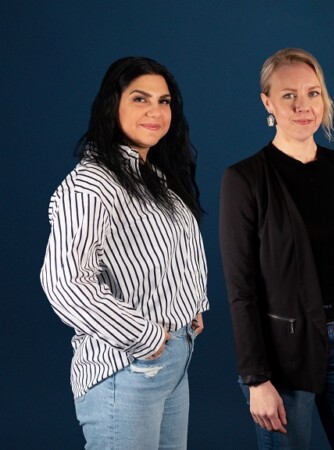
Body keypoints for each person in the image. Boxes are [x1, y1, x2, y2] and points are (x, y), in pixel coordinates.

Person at [219, 47, 334, 450]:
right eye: (288, 95)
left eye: (313, 94)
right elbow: (239, 288)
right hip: (282, 353)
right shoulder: (245, 179)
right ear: (267, 102)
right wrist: (256, 379)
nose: (303, 106)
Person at [40, 56, 208, 450]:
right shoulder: (93, 182)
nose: (155, 111)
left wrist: (190, 304)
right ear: (112, 104)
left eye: (164, 101)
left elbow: (165, 255)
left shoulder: (155, 176)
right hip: (127, 368)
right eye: (140, 98)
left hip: (172, 361)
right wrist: (145, 335)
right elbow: (64, 281)